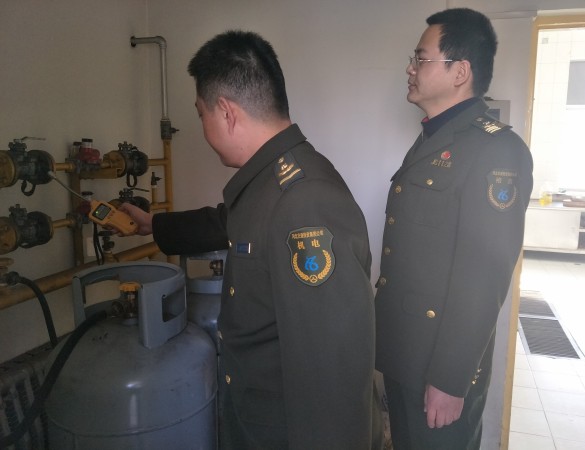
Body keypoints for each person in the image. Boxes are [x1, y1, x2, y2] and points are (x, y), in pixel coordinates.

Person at [121, 30, 382, 449]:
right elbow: (229, 222)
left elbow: (333, 372)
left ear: (226, 112)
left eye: (201, 114)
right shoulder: (270, 181)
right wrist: (155, 224)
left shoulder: (305, 201)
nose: (203, 127)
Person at [374, 8, 533, 450]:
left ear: (460, 72)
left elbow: (485, 275)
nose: (410, 68)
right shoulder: (434, 138)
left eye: (420, 58)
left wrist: (450, 379)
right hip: (405, 354)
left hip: (438, 369)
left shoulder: (496, 150)